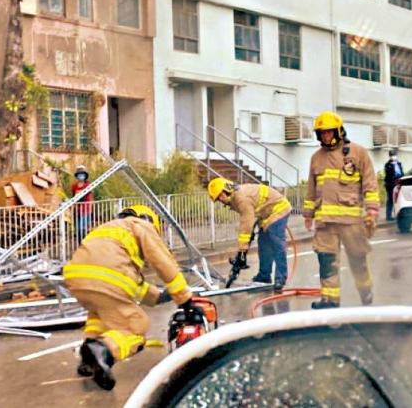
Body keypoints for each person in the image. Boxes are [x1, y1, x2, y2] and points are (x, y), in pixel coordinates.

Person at [63, 205, 195, 390]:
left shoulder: (106, 231)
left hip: (76, 278)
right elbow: (163, 262)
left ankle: (89, 359)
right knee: (135, 327)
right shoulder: (141, 225)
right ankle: (104, 350)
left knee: (100, 315)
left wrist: (158, 297)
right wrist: (184, 298)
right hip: (107, 277)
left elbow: (131, 283)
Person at [303, 111, 378, 309]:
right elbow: (311, 189)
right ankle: (330, 301)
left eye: (329, 132)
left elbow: (370, 184)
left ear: (338, 131)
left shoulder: (357, 153)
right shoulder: (316, 158)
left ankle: (366, 294)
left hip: (351, 222)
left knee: (358, 260)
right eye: (322, 133)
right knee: (326, 262)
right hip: (325, 222)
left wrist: (371, 210)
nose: (326, 136)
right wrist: (308, 214)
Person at [207, 177, 292, 290]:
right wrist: (243, 250)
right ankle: (264, 277)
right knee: (263, 244)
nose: (220, 200)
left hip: (278, 209)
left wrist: (242, 252)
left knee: (276, 243)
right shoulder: (234, 196)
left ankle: (280, 278)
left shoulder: (240, 198)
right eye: (217, 199)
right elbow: (250, 216)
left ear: (225, 190)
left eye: (219, 197)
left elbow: (246, 224)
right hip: (266, 214)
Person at [70, 165, 94, 242]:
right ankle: (79, 243)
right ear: (77, 176)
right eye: (79, 174)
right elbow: (73, 196)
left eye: (82, 174)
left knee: (82, 227)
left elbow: (85, 196)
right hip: (77, 210)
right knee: (77, 228)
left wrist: (78, 197)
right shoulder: (74, 186)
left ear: (85, 175)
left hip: (86, 209)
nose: (81, 176)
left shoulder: (88, 185)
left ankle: (84, 242)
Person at [383, 149, 404, 221]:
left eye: (394, 155)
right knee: (390, 200)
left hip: (399, 183)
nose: (393, 157)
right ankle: (388, 216)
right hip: (390, 184)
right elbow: (388, 174)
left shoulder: (399, 163)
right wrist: (392, 165)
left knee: (398, 200)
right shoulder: (388, 165)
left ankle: (397, 214)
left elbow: (402, 173)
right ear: (390, 156)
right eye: (392, 155)